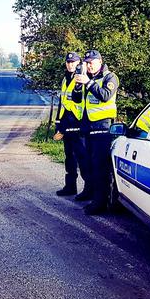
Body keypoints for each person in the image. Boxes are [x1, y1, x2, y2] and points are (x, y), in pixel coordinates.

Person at [74, 50, 119, 215]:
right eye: (86, 62)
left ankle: (100, 203)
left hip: (102, 129)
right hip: (87, 128)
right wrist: (79, 85)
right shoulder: (88, 77)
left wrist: (89, 83)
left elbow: (106, 96)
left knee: (100, 167)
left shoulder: (109, 77)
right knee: (88, 165)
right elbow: (77, 99)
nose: (89, 66)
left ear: (100, 61)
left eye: (91, 62)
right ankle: (92, 195)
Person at [53, 52, 89, 197]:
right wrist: (58, 124)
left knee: (82, 157)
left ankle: (88, 189)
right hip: (66, 122)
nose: (70, 64)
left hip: (78, 123)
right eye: (68, 62)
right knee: (69, 157)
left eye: (73, 62)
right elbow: (62, 103)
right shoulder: (65, 79)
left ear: (79, 63)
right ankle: (70, 186)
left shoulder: (81, 78)